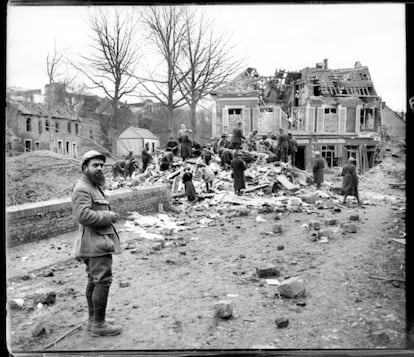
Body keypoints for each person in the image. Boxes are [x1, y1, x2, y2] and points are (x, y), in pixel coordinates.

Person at [72, 150, 122, 337]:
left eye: (101, 165)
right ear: (85, 167)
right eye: (95, 165)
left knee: (94, 280)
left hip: (96, 241)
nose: (99, 168)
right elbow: (83, 215)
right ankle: (99, 325)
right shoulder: (82, 188)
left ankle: (94, 320)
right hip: (95, 244)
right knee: (102, 281)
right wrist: (107, 216)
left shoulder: (92, 185)